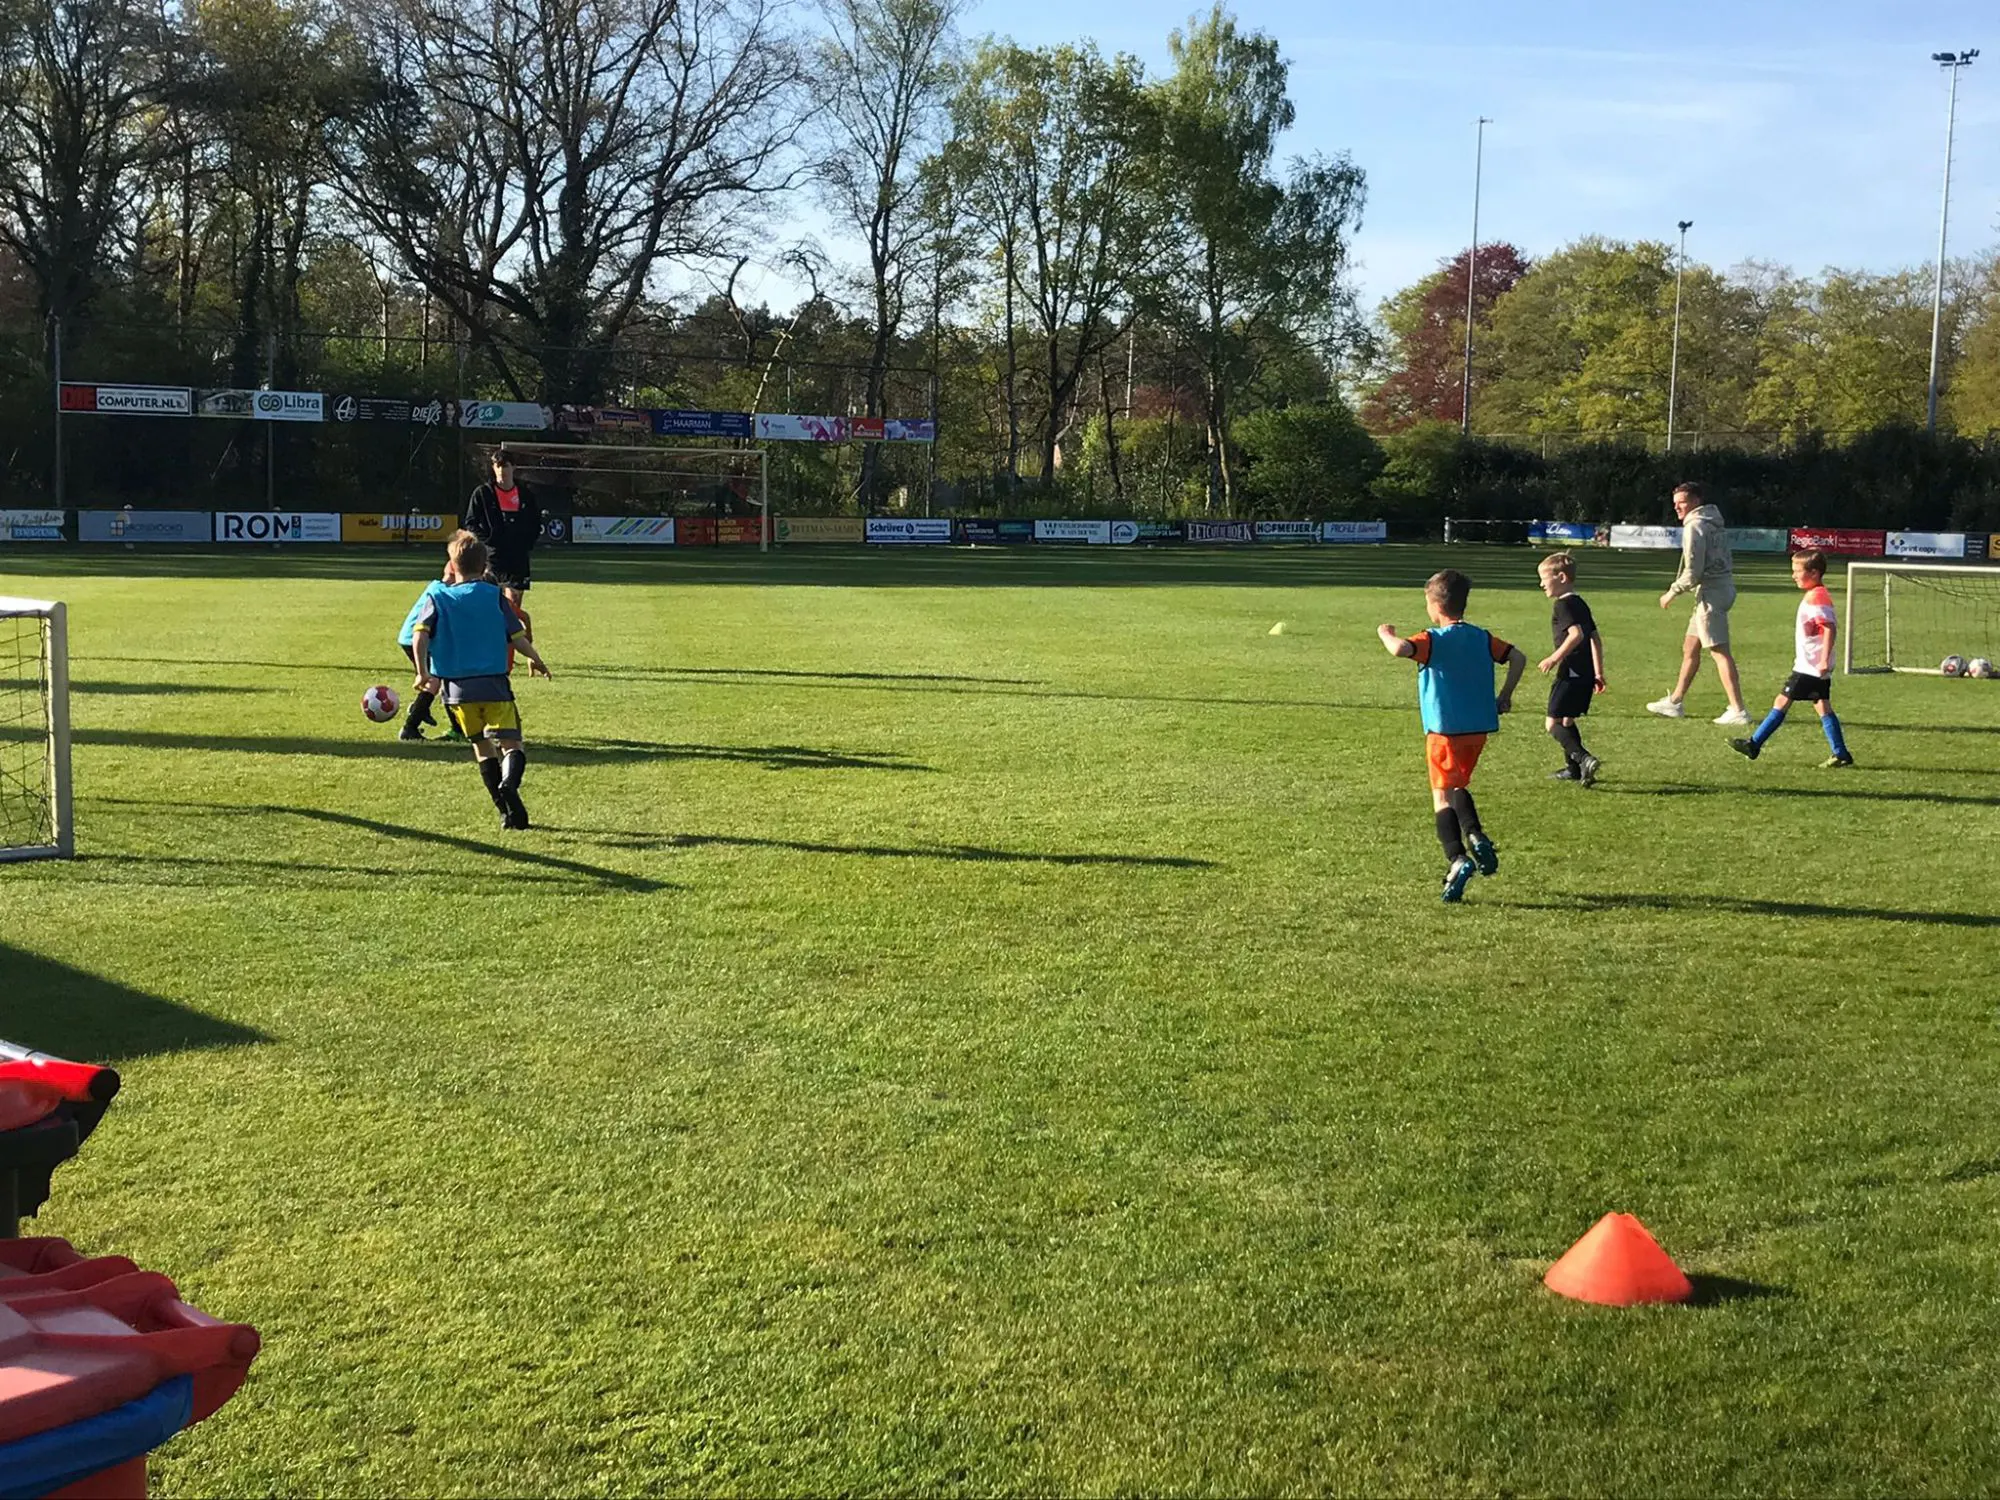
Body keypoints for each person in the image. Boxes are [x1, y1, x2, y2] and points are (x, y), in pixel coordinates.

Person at [1377, 570, 1528, 903]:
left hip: (1444, 730)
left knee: (1441, 796)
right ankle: (1475, 835)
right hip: (1478, 728)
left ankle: (1457, 860)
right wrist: (1505, 695)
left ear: (1435, 605)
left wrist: (1385, 633)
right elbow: (1518, 657)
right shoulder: (1481, 637)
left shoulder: (1433, 639)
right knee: (1458, 785)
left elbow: (1401, 649)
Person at [410, 530, 553, 829]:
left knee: (482, 748)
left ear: (451, 564)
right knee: (512, 745)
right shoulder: (494, 597)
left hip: (456, 692)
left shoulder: (437, 596)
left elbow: (419, 634)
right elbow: (517, 637)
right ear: (485, 563)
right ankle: (509, 785)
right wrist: (535, 659)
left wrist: (422, 672)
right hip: (494, 684)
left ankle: (507, 814)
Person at [1729, 550, 1854, 768]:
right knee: (1822, 705)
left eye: (1797, 571)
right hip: (1813, 665)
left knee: (1782, 701)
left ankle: (1754, 744)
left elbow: (1829, 628)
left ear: (1813, 573)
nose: (1793, 576)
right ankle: (1840, 752)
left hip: (1810, 667)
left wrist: (1823, 660)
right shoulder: (1816, 594)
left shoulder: (1817, 597)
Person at [1645, 480, 1750, 726]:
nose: (1677, 508)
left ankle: (1738, 710)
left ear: (1695, 502)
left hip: (1712, 593)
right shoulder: (1713, 521)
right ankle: (1676, 701)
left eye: (1682, 502)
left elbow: (1694, 572)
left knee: (1719, 651)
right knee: (1690, 647)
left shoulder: (1695, 527)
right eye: (1675, 503)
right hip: (1720, 588)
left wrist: (1671, 592)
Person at [1536, 551, 1606, 786]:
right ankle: (1573, 770)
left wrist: (1554, 658)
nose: (1541, 584)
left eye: (1545, 579)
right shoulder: (1580, 603)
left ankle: (1584, 759)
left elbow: (1576, 635)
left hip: (1571, 670)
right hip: (1585, 672)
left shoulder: (1563, 605)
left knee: (1552, 724)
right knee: (1567, 721)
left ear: (1561, 577)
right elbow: (1595, 638)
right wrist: (1598, 672)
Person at [462, 447, 543, 606]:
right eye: (498, 466)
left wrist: (527, 544)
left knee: (514, 604)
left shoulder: (525, 495)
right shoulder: (483, 493)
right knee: (491, 601)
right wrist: (488, 542)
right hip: (493, 558)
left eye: (505, 465)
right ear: (493, 468)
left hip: (518, 557)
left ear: (513, 467)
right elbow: (470, 523)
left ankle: (511, 631)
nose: (501, 470)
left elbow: (535, 522)